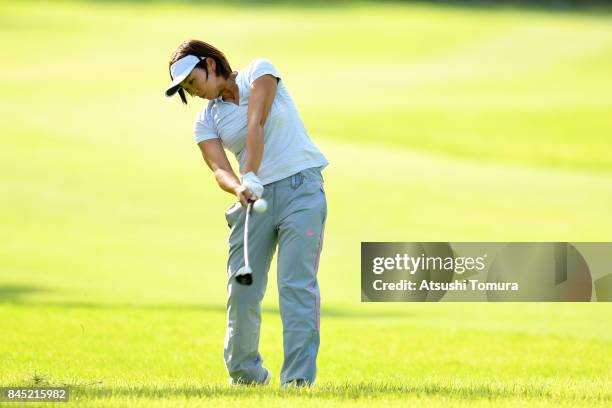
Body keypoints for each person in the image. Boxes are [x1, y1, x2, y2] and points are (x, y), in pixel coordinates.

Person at [165, 39, 328, 388]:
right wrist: (239, 187)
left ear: (210, 64)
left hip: (302, 189)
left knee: (295, 286)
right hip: (252, 203)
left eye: (193, 82)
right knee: (242, 290)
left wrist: (251, 173)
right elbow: (219, 168)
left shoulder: (260, 71)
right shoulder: (205, 121)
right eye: (186, 90)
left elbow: (256, 121)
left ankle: (297, 381)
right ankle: (247, 375)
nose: (193, 93)